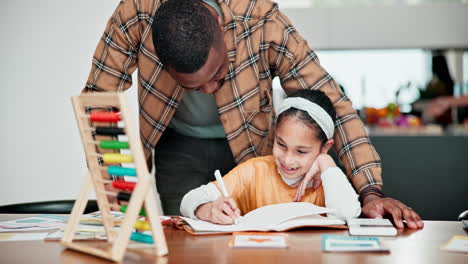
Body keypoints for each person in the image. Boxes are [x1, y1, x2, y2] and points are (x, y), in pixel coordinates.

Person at [83, 0, 423, 229]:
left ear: (218, 26)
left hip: (251, 151)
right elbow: (98, 102)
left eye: (217, 73)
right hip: (177, 146)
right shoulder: (135, 15)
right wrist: (119, 191)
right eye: (192, 85)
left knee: (257, 246)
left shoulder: (263, 21)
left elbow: (335, 104)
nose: (209, 90)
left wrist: (371, 193)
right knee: (187, 240)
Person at [180, 90, 361, 224]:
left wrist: (326, 161)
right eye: (281, 145)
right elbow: (188, 200)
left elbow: (348, 214)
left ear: (325, 147)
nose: (288, 160)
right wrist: (207, 209)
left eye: (301, 151)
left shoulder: (330, 179)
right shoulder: (254, 171)